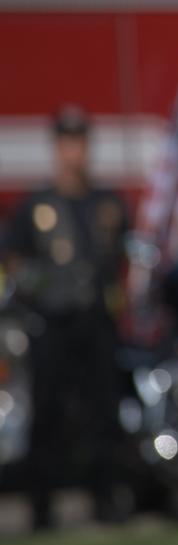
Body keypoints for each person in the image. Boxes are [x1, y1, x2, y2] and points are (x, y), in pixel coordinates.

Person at [2, 105, 128, 530]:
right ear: (57, 148)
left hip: (95, 321)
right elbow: (16, 261)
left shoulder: (106, 202)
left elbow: (124, 257)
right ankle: (41, 505)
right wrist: (43, 288)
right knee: (48, 412)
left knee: (103, 412)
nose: (74, 151)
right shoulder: (38, 204)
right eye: (66, 142)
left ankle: (105, 498)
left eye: (80, 142)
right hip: (52, 322)